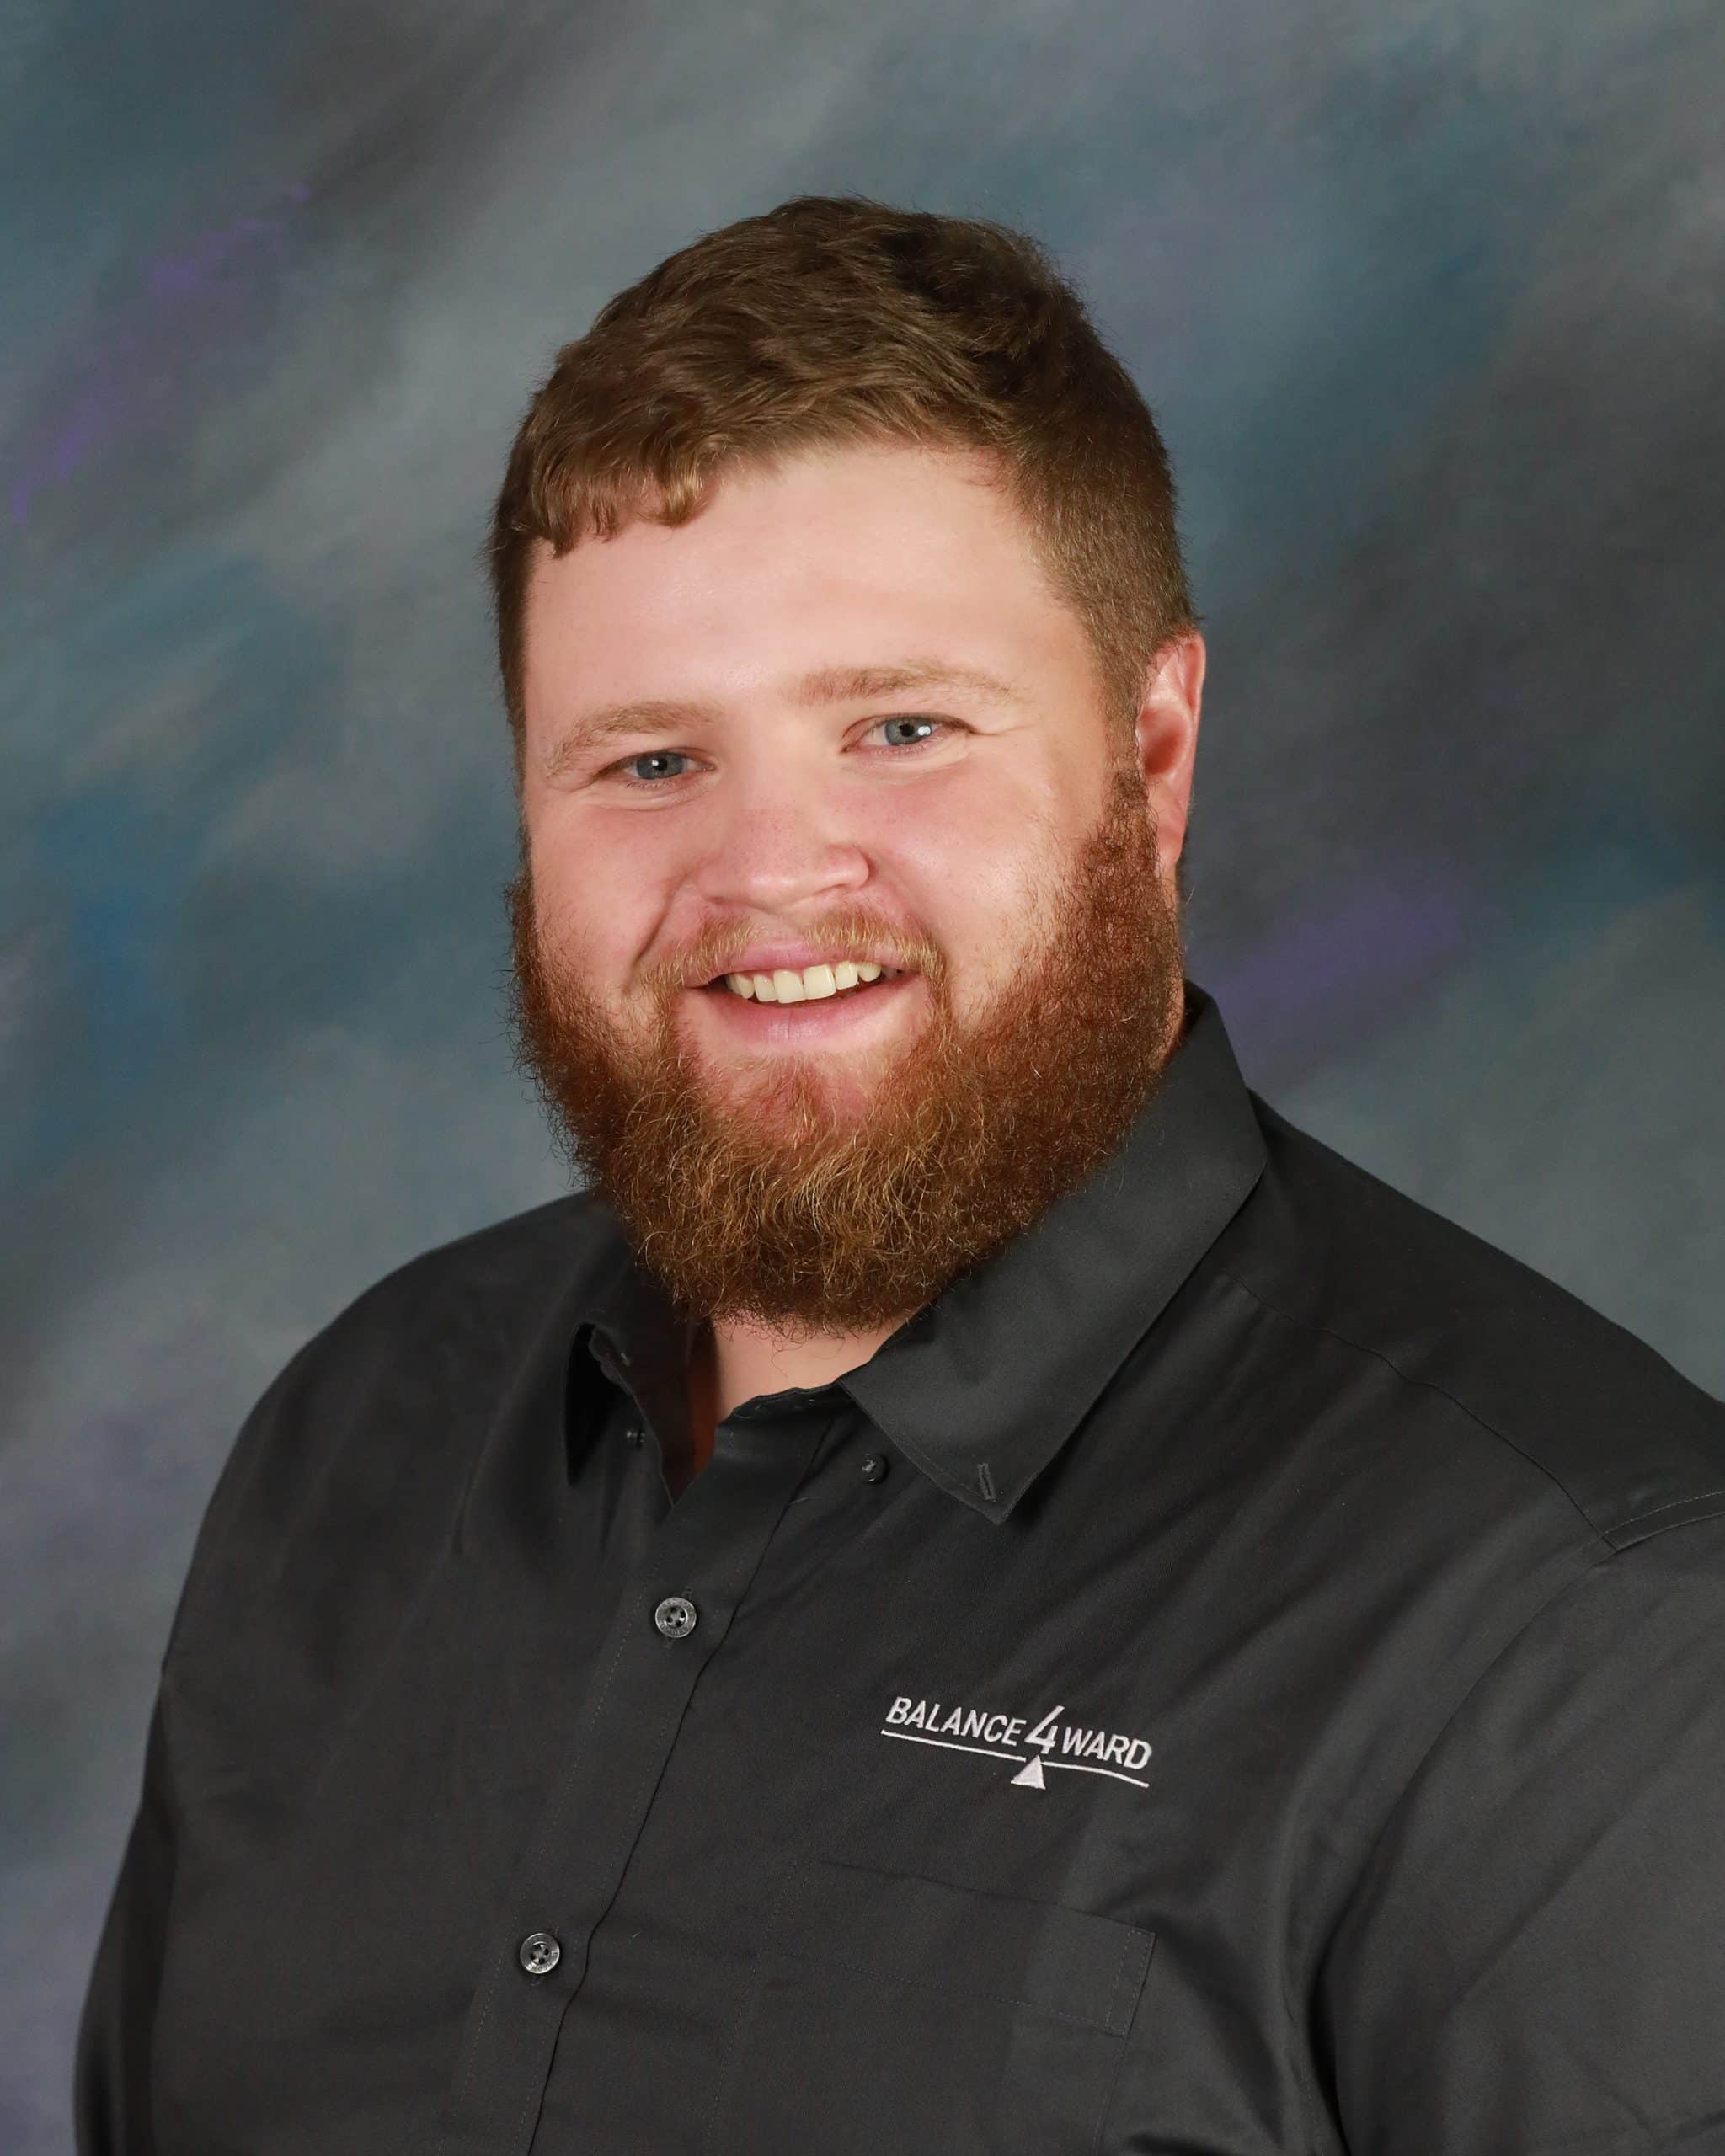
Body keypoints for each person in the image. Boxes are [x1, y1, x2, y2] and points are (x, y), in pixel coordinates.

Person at [76, 195, 1725, 2156]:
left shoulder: (1589, 1631)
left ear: (1154, 752)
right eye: (649, 761)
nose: (772, 874)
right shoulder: (356, 1438)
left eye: (902, 727)